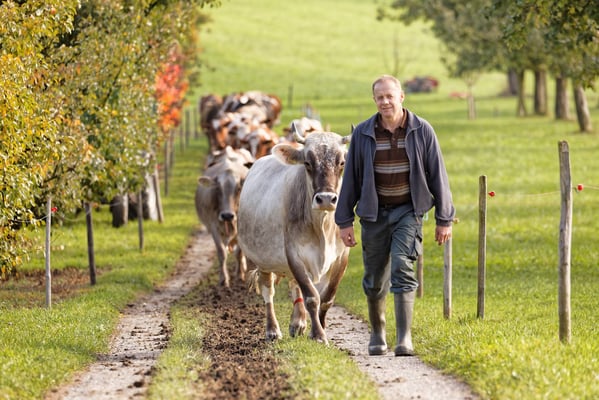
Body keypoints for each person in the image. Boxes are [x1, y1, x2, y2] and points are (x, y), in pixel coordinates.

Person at [335, 75, 455, 356]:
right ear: (374, 100)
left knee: (402, 266)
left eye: (390, 96)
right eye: (380, 97)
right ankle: (378, 334)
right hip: (373, 214)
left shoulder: (422, 130)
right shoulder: (363, 133)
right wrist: (344, 221)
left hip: (408, 211)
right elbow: (350, 179)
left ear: (401, 96)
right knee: (374, 279)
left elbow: (438, 175)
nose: (385, 101)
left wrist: (444, 218)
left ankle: (404, 339)